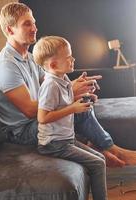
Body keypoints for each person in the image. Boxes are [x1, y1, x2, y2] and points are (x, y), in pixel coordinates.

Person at [0, 2, 136, 167]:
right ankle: (111, 149)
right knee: (78, 112)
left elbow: (52, 87)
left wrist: (79, 91)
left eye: (34, 23)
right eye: (27, 24)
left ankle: (98, 149)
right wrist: (71, 92)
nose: (34, 28)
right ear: (10, 30)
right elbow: (30, 111)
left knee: (84, 104)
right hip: (20, 132)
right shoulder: (5, 66)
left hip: (36, 119)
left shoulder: (29, 58)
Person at [33, 35, 107, 200]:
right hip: (53, 144)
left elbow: (64, 101)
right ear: (53, 65)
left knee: (100, 157)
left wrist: (84, 95)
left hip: (66, 139)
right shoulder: (50, 85)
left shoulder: (63, 79)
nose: (73, 59)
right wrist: (72, 108)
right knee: (98, 163)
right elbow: (42, 117)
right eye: (68, 57)